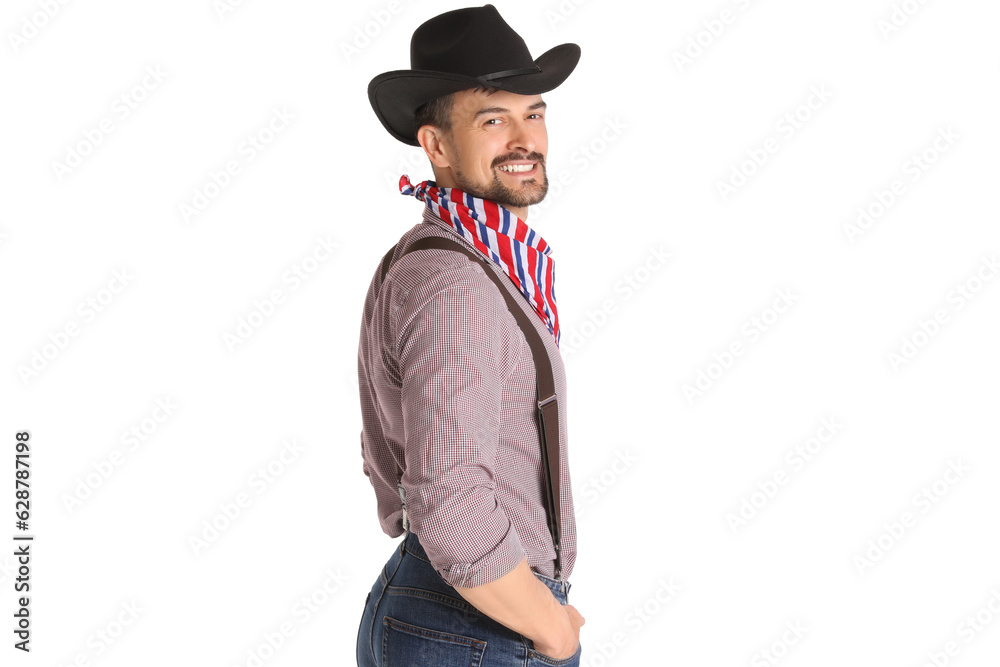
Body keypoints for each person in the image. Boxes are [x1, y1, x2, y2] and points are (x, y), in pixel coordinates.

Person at [355, 5, 585, 665]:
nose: (525, 138)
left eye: (533, 113)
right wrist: (551, 623)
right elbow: (451, 505)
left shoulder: (446, 258)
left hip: (457, 612)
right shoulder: (455, 284)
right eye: (494, 119)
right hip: (475, 620)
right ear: (436, 145)